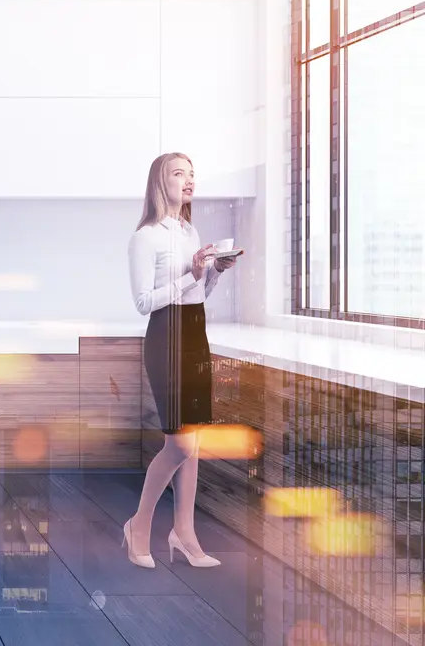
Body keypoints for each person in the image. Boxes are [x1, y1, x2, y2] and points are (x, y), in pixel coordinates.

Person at [123, 152, 238, 569]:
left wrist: (214, 272)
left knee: (195, 445)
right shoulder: (146, 237)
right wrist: (191, 273)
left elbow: (197, 295)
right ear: (160, 182)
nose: (188, 180)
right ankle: (139, 525)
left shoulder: (191, 232)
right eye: (178, 173)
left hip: (194, 334)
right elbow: (142, 303)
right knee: (180, 443)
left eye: (192, 174)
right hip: (165, 338)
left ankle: (184, 534)